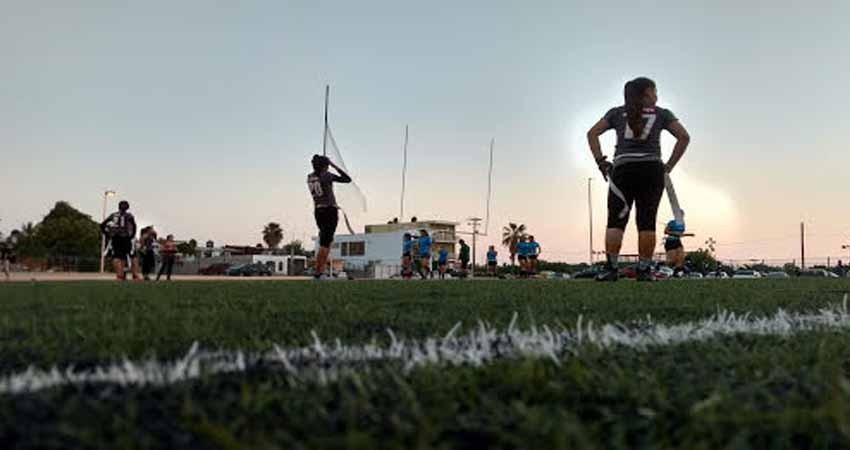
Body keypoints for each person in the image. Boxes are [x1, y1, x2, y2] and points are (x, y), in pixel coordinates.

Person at [586, 77, 691, 282]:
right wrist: (668, 166)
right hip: (652, 169)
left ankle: (611, 268)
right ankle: (644, 269)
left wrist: (601, 162)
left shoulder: (616, 113)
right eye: (654, 91)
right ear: (646, 94)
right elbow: (684, 137)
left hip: (623, 168)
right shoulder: (662, 113)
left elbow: (592, 133)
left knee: (616, 221)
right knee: (647, 221)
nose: (657, 96)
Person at [307, 154, 352, 280]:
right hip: (329, 210)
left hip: (318, 210)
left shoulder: (310, 177)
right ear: (325, 166)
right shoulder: (326, 175)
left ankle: (320, 271)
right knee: (326, 243)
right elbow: (347, 179)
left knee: (325, 241)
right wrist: (333, 165)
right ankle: (318, 273)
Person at [100, 200, 140, 281]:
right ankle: (135, 275)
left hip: (116, 238)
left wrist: (107, 234)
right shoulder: (129, 215)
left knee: (118, 257)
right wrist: (132, 235)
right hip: (125, 238)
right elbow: (134, 225)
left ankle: (120, 276)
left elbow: (102, 224)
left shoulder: (113, 215)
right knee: (132, 256)